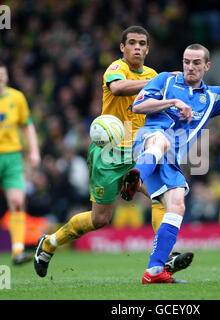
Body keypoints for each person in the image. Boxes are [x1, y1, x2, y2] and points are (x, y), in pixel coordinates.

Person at [34, 26, 193, 278]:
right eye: (131, 43)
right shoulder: (116, 69)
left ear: (148, 49)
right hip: (108, 153)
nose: (137, 47)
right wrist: (159, 81)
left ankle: (163, 258)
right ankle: (49, 243)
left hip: (139, 151)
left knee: (160, 196)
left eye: (142, 43)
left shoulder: (153, 75)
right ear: (123, 47)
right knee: (100, 219)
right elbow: (118, 89)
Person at [121, 42, 220, 283]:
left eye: (196, 63)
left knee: (177, 206)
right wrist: (173, 102)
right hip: (149, 141)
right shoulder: (165, 80)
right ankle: (135, 178)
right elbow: (138, 105)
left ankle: (154, 271)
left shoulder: (212, 96)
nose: (190, 67)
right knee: (161, 141)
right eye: (186, 61)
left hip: (169, 161)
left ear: (207, 66)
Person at [0, 62, 41, 265]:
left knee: (17, 202)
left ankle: (17, 251)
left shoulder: (17, 98)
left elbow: (28, 125)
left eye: (2, 75)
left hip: (12, 157)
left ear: (6, 77)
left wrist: (34, 151)